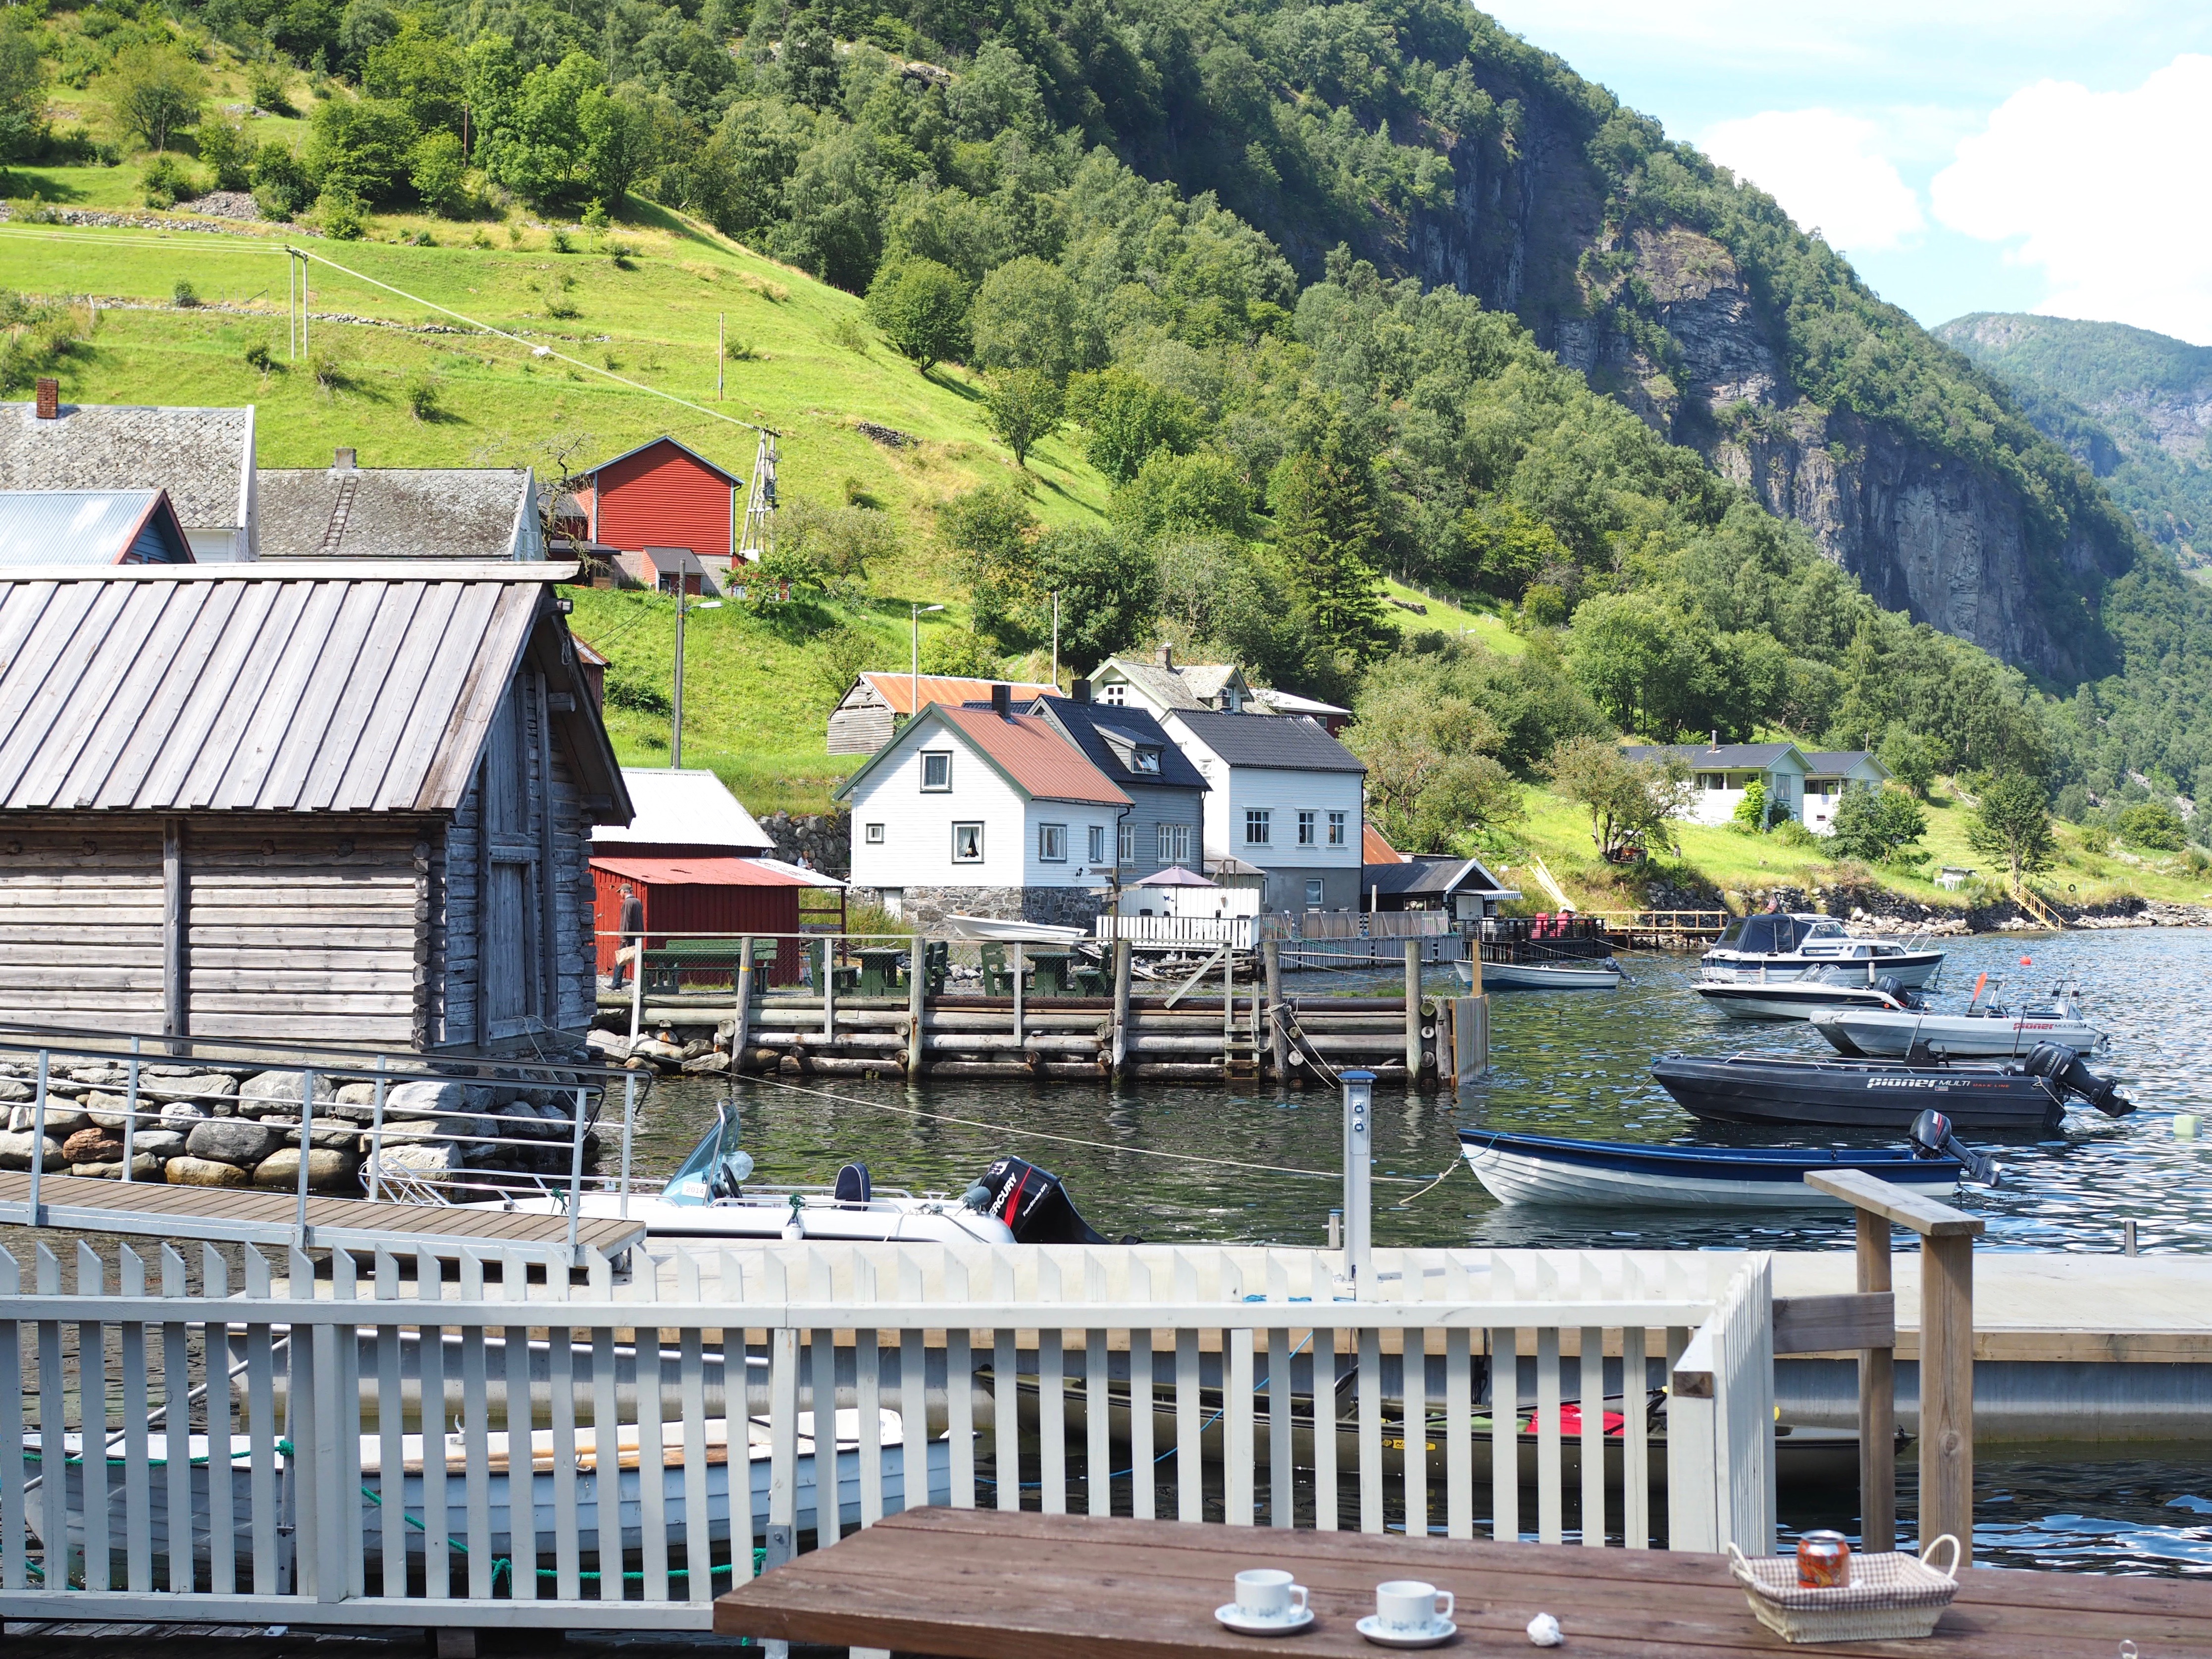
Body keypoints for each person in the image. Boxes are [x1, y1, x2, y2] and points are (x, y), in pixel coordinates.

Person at [611, 881, 645, 988]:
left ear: (624, 891)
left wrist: (624, 937)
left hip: (629, 936)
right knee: (640, 960)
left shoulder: (628, 903)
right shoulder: (638, 902)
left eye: (620, 892)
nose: (620, 894)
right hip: (638, 936)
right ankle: (644, 983)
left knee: (621, 960)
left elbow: (626, 921)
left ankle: (616, 984)